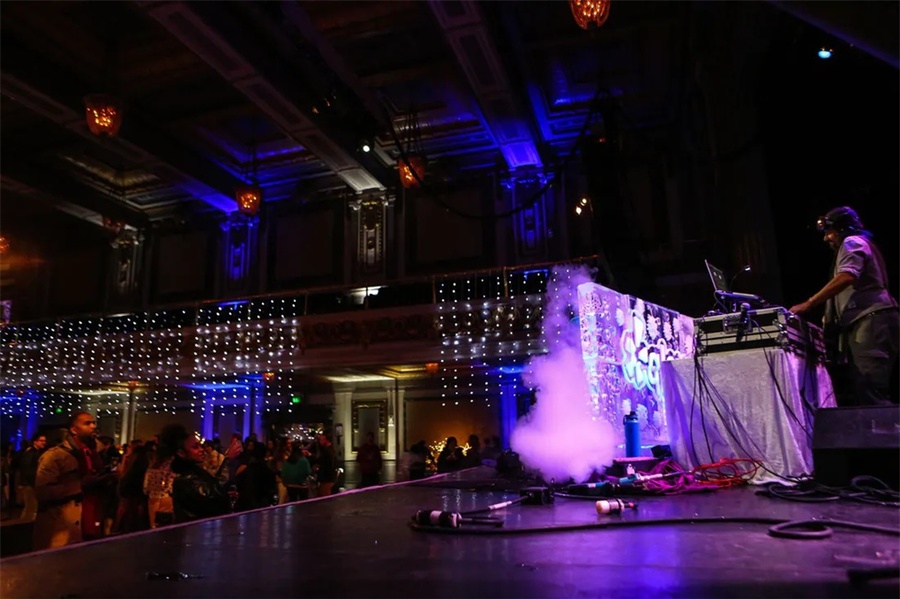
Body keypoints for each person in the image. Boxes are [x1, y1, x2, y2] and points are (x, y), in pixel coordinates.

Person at [789, 206, 899, 406]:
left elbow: (847, 276)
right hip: (873, 320)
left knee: (870, 389)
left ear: (843, 229)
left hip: (871, 320)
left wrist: (810, 303)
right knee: (867, 389)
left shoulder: (852, 242)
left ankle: (883, 427)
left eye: (829, 232)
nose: (826, 238)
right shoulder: (861, 243)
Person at [33, 412, 114, 549]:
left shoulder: (94, 453)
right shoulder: (55, 456)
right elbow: (42, 492)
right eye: (87, 423)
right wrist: (80, 485)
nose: (93, 426)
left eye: (93, 423)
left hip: (90, 520)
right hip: (62, 528)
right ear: (74, 429)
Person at [162, 424, 233, 523]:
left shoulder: (194, 471)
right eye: (195, 447)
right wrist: (228, 462)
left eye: (200, 446)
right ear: (181, 453)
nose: (201, 449)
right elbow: (212, 501)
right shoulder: (185, 479)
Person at [17, 433, 47, 521]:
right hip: (29, 484)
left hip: (31, 483)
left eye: (45, 441)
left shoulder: (36, 452)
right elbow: (27, 469)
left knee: (31, 508)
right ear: (35, 442)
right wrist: (33, 482)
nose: (44, 443)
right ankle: (25, 526)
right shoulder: (30, 453)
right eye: (41, 441)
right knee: (30, 508)